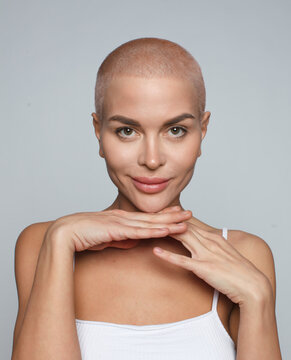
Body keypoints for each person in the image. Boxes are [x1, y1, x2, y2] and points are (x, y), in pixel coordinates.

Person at [11, 37, 282, 359]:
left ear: (202, 131)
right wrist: (61, 239)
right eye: (127, 131)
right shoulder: (43, 242)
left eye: (176, 130)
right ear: (98, 132)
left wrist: (258, 298)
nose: (152, 160)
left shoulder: (244, 254)